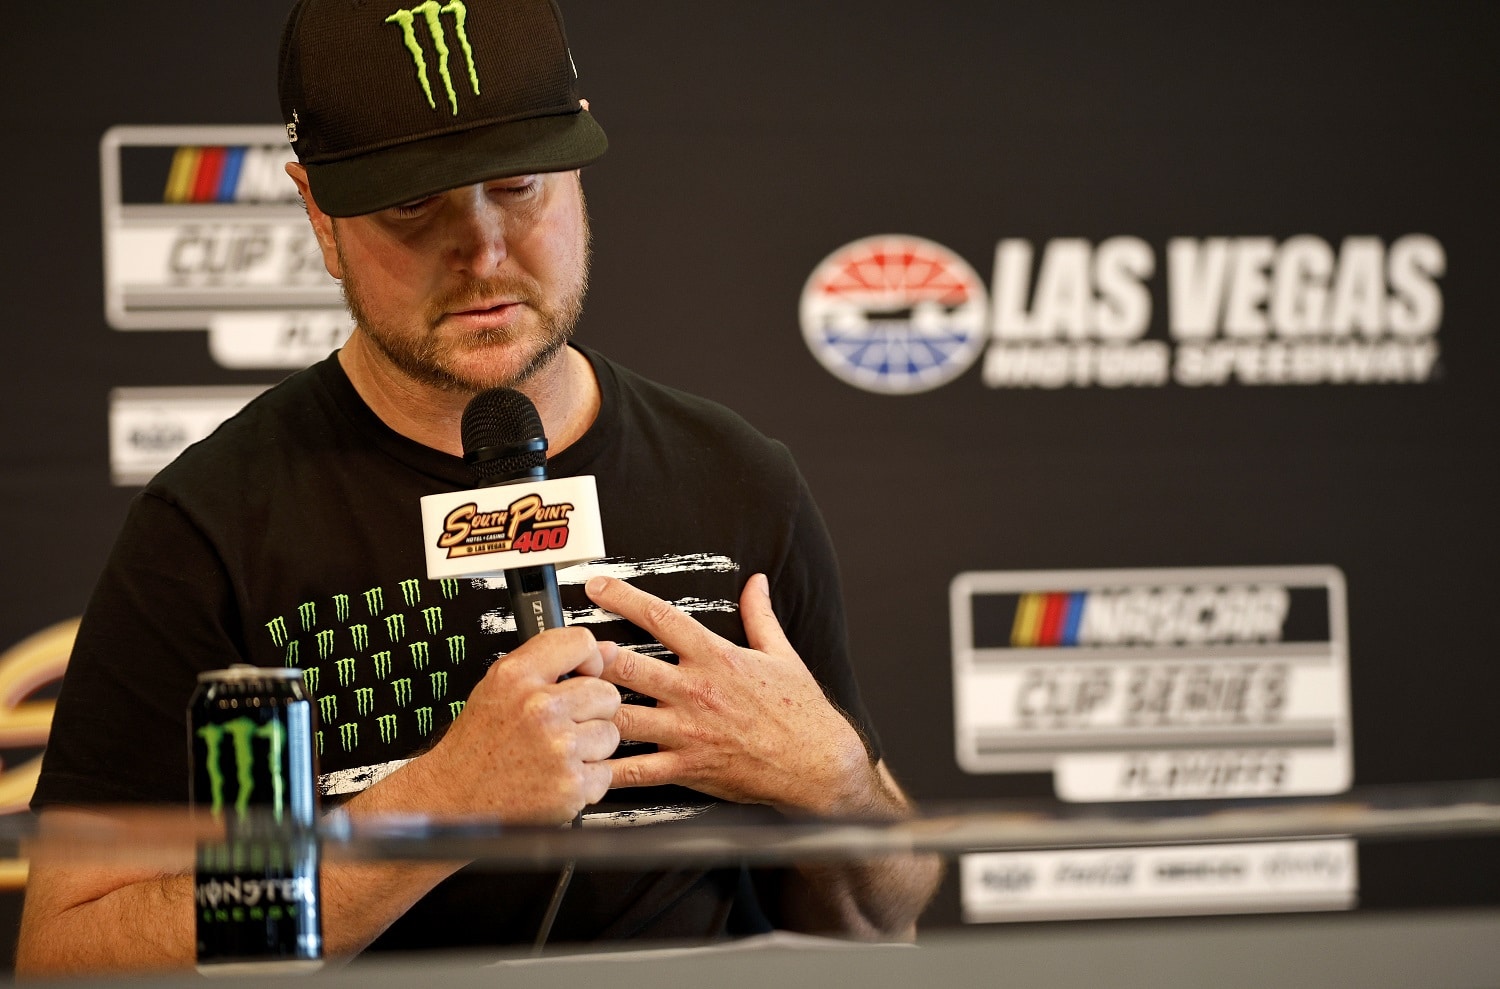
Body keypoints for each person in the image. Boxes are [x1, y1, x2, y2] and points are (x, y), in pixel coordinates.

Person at [16, 0, 939, 974]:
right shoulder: (209, 528)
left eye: (518, 183)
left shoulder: (740, 478)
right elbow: (65, 954)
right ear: (318, 214)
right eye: (414, 202)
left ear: (576, 176)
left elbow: (881, 925)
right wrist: (435, 808)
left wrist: (837, 784)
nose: (483, 250)